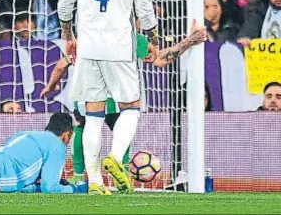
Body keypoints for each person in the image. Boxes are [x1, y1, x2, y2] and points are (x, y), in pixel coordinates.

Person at [57, 0, 158, 195]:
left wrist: (69, 36)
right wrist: (152, 39)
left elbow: (65, 7)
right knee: (131, 108)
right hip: (119, 46)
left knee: (93, 115)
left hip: (88, 46)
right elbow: (144, 9)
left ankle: (95, 182)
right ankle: (115, 157)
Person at [40, 20, 207, 183]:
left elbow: (62, 64)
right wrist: (189, 41)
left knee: (82, 129)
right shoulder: (133, 38)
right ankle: (123, 171)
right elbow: (161, 60)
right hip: (117, 99)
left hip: (87, 97)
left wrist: (51, 86)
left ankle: (78, 176)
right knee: (123, 131)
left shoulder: (89, 36)